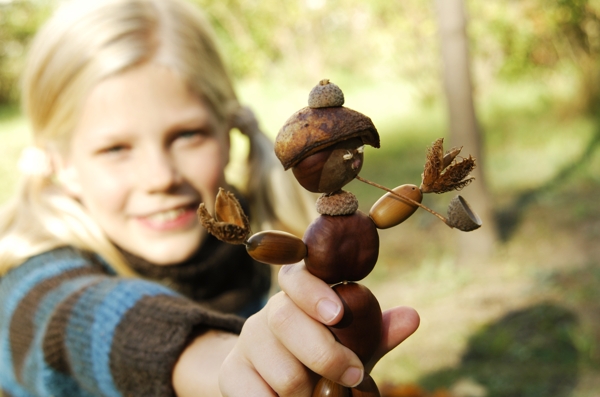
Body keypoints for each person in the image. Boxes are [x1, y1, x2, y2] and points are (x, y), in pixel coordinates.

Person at [0, 0, 420, 396]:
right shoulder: (31, 287)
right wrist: (223, 365)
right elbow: (87, 322)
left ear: (227, 134)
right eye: (116, 149)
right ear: (59, 163)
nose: (161, 177)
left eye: (187, 135)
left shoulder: (267, 250)